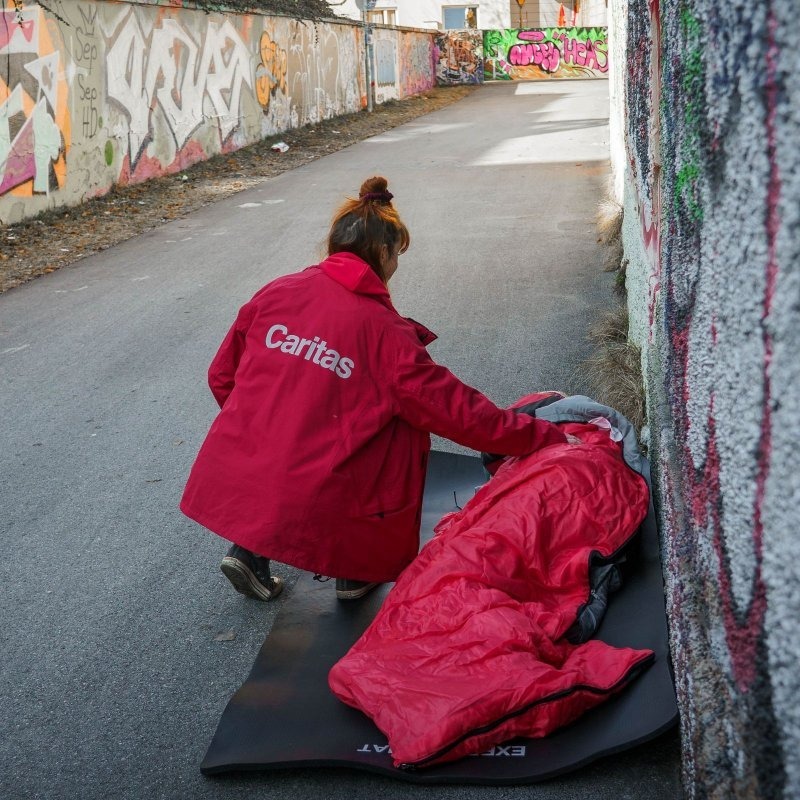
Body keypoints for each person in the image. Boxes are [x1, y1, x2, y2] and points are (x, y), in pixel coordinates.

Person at [180, 176, 567, 602]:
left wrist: (268, 429)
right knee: (390, 428)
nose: (396, 265)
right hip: (324, 486)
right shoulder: (384, 334)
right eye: (397, 254)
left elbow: (222, 377)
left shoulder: (277, 292)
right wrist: (539, 436)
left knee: (295, 421)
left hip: (252, 467)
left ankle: (250, 550)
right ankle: (356, 568)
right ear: (383, 253)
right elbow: (455, 410)